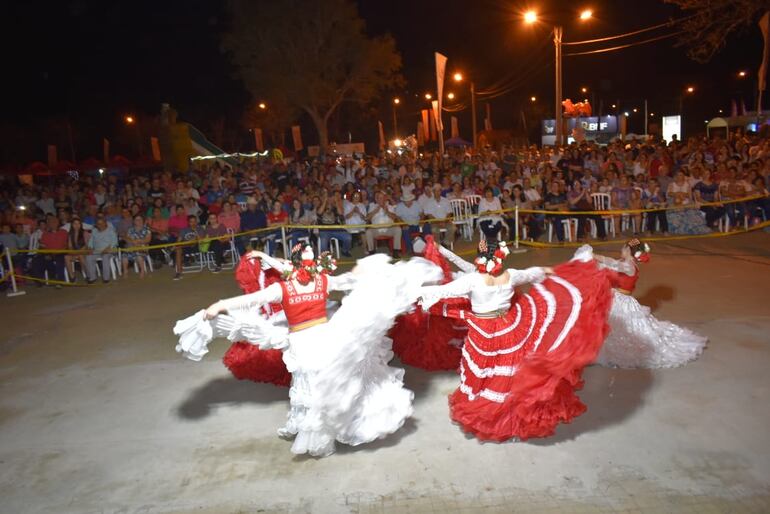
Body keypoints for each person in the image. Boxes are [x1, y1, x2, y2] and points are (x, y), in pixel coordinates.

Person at [173, 245, 442, 457]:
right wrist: (365, 273)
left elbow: (255, 296)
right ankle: (321, 429)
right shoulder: (322, 281)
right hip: (322, 339)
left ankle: (314, 432)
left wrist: (220, 304)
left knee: (308, 384)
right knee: (321, 385)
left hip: (302, 342)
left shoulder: (284, 286)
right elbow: (345, 281)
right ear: (312, 265)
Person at [418, 239, 612, 442]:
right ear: (500, 258)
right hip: (507, 325)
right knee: (505, 365)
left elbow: (442, 291)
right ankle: (507, 404)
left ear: (480, 258)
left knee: (485, 367)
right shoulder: (510, 275)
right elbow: (533, 272)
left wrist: (415, 294)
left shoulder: (473, 281)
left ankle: (488, 405)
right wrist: (552, 270)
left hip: (483, 330)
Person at [575, 240, 706, 368]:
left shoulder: (629, 266)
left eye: (623, 248)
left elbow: (612, 263)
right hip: (614, 297)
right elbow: (609, 266)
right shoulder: (625, 263)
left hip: (620, 301)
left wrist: (595, 256)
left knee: (610, 325)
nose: (621, 250)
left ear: (628, 251)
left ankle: (593, 350)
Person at [31, 215, 68, 285]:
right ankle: (39, 279)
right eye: (51, 222)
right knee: (36, 260)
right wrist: (47, 253)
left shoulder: (64, 232)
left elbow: (66, 245)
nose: (53, 224)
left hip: (61, 252)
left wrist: (59, 252)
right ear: (49, 224)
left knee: (59, 260)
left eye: (55, 222)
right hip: (49, 253)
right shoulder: (45, 234)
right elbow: (42, 246)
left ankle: (60, 280)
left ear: (58, 223)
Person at [365, 192, 402, 257]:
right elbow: (367, 218)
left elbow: (394, 217)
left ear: (385, 199)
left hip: (388, 229)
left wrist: (387, 211)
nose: (381, 199)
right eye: (379, 198)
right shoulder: (372, 206)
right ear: (376, 199)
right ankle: (371, 252)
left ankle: (396, 251)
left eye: (382, 198)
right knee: (368, 232)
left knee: (398, 229)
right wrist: (375, 211)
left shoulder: (390, 206)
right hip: (376, 229)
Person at [317, 192, 352, 257]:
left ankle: (345, 250)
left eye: (331, 199)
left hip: (336, 229)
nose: (330, 200)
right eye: (329, 199)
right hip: (324, 230)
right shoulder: (321, 206)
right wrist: (325, 201)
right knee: (323, 241)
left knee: (348, 237)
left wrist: (336, 202)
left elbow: (341, 213)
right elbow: (319, 213)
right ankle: (325, 257)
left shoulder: (335, 207)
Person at [85, 217, 118, 284]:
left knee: (105, 257)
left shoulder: (111, 230)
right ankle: (92, 277)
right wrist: (90, 248)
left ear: (105, 223)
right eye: (98, 224)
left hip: (109, 249)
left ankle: (106, 278)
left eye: (102, 223)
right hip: (97, 250)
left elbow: (115, 242)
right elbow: (91, 241)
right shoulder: (94, 231)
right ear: (96, 224)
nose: (100, 225)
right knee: (88, 257)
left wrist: (108, 248)